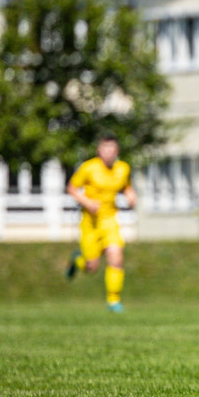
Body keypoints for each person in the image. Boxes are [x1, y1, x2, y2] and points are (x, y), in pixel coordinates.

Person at [65, 134, 137, 312]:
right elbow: (72, 188)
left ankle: (113, 301)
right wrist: (88, 202)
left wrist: (130, 196)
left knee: (116, 258)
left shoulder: (123, 169)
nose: (109, 152)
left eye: (112, 148)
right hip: (90, 222)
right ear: (99, 150)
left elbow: (126, 186)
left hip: (110, 219)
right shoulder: (89, 168)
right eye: (105, 148)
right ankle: (77, 260)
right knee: (92, 267)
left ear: (117, 150)